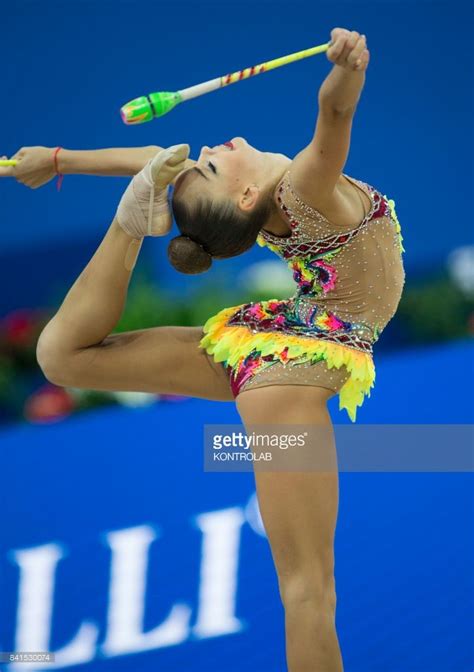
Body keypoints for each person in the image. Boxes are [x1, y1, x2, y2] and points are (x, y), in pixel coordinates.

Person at [2, 28, 405, 671]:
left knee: (63, 358)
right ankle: (128, 225)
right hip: (288, 381)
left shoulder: (263, 205)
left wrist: (56, 159)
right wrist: (349, 68)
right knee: (308, 591)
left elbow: (156, 157)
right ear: (245, 198)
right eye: (214, 166)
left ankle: (129, 225)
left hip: (268, 349)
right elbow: (334, 112)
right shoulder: (302, 187)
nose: (215, 147)